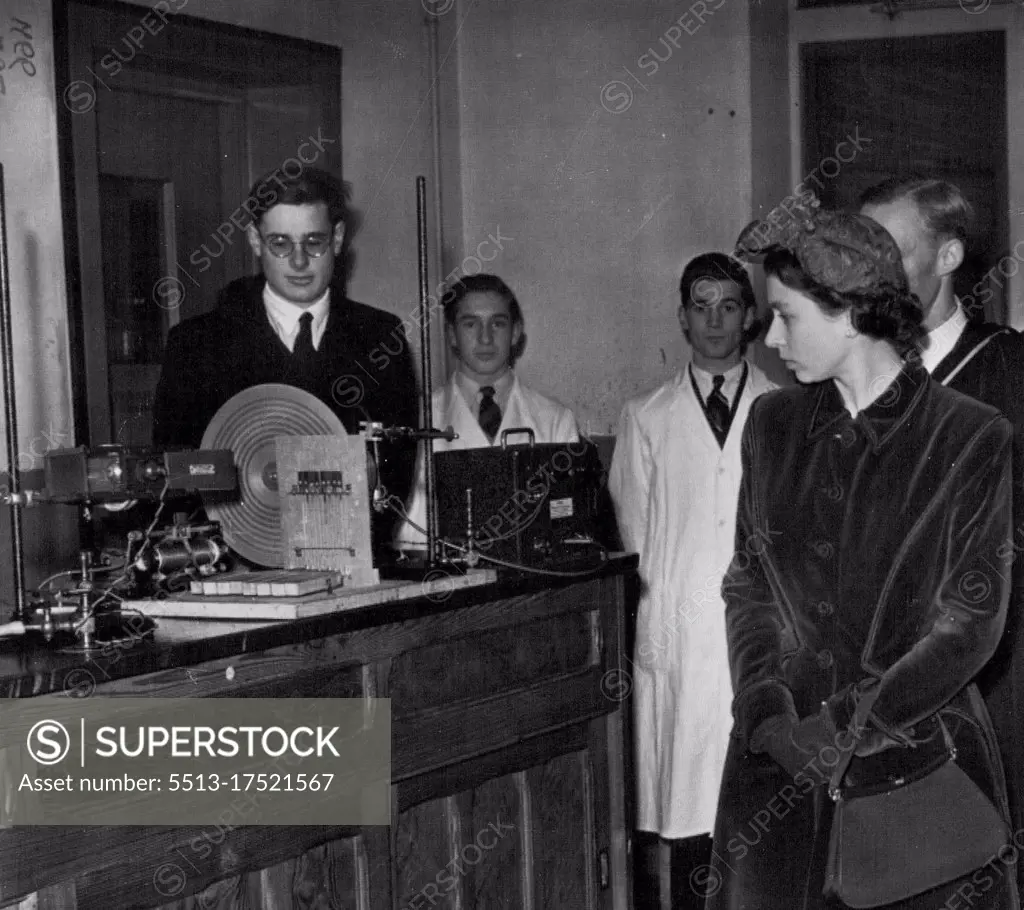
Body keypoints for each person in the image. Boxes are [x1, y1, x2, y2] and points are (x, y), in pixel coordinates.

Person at [708, 200, 1017, 910]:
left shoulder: (968, 435)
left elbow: (970, 624)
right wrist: (765, 710)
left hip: (913, 760)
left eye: (785, 316)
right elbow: (748, 582)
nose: (766, 333)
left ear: (849, 313)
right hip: (776, 766)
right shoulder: (773, 422)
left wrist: (847, 729)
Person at [860, 177, 1024, 882]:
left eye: (891, 252)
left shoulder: (1012, 368)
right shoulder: (842, 380)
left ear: (949, 254)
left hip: (999, 676)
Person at [607, 253, 775, 910]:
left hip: (758, 630)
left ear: (750, 317)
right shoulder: (645, 415)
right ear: (681, 317)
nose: (714, 320)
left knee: (759, 801)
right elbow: (635, 534)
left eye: (729, 305)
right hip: (677, 633)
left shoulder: (783, 409)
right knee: (684, 815)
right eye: (700, 306)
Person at [152, 167, 418, 549]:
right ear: (255, 241)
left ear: (338, 239)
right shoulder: (196, 345)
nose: (297, 262)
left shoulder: (380, 337)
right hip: (235, 571)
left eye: (314, 242)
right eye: (280, 243)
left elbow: (396, 471)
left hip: (348, 562)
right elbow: (176, 476)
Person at [393, 273, 578, 551]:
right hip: (448, 582)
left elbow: (568, 524)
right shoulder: (418, 419)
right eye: (471, 324)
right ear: (452, 335)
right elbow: (408, 530)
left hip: (532, 584)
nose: (485, 337)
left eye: (498, 323)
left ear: (515, 332)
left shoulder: (555, 420)